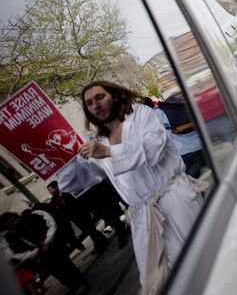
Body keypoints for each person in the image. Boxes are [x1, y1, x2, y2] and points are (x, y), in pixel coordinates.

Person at [77, 80, 203, 294]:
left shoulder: (141, 115)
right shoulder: (97, 141)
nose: (95, 105)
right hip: (142, 215)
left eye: (100, 97)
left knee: (199, 259)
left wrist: (109, 152)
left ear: (115, 96)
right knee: (156, 278)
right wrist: (73, 160)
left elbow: (154, 150)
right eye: (89, 103)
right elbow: (90, 179)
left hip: (174, 199)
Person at [0, 210, 87, 291]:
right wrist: (38, 251)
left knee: (67, 265)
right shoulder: (10, 238)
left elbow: (50, 223)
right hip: (41, 257)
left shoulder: (31, 216)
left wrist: (47, 241)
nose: (11, 221)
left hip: (53, 247)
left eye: (10, 218)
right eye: (7, 222)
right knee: (58, 273)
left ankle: (81, 281)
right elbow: (15, 254)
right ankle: (74, 285)